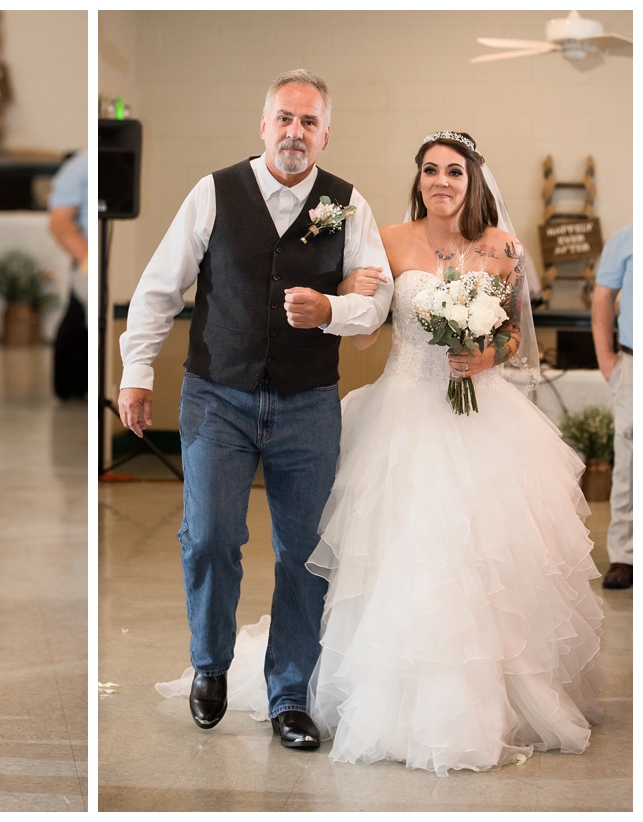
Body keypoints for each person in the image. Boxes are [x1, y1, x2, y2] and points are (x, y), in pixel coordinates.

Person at [164, 131, 604, 776]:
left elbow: (513, 335)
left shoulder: (503, 249)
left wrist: (487, 353)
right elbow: (368, 337)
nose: (441, 182)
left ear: (473, 179)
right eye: (430, 171)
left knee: (476, 558)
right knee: (390, 552)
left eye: (454, 171)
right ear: (418, 178)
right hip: (401, 410)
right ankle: (345, 689)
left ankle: (478, 696)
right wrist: (349, 293)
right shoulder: (391, 239)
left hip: (480, 416)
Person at [123, 69, 393, 749]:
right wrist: (134, 372)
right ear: (263, 125)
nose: (294, 132)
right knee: (211, 535)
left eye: (308, 122)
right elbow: (159, 290)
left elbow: (380, 299)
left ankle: (291, 693)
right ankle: (210, 665)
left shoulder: (349, 204)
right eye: (284, 118)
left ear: (325, 134)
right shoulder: (213, 193)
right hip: (218, 394)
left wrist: (332, 308)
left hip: (308, 402)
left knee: (304, 553)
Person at [592, 224, 632, 589]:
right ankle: (625, 555)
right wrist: (606, 357)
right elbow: (604, 296)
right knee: (630, 461)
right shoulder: (627, 238)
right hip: (634, 364)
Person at [48, 149, 88, 399]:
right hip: (87, 259)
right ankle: (69, 388)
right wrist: (87, 258)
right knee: (78, 320)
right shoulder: (79, 165)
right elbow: (59, 222)